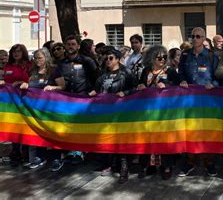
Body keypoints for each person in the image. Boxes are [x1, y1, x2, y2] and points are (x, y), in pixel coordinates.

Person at [89, 48, 137, 184]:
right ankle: (108, 164)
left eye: (110, 58)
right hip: (105, 111)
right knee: (107, 137)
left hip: (121, 111)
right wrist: (93, 92)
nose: (108, 61)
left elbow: (137, 88)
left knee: (120, 139)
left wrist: (126, 92)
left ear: (117, 59)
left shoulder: (126, 72)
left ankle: (124, 167)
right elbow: (98, 87)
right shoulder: (103, 73)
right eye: (106, 59)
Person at [177, 27, 219, 177]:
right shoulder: (185, 55)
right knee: (190, 130)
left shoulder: (212, 56)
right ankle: (190, 161)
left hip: (207, 100)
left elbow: (218, 76)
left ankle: (209, 162)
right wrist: (181, 80)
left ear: (204, 38)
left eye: (198, 36)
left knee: (207, 130)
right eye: (193, 36)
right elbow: (180, 72)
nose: (195, 38)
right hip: (189, 100)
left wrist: (213, 84)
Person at [54, 35, 98, 170]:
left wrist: (93, 91)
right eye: (68, 44)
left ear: (78, 46)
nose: (70, 46)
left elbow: (97, 78)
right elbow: (59, 81)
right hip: (67, 99)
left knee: (81, 127)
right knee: (68, 126)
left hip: (83, 98)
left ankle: (80, 152)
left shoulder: (87, 61)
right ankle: (70, 152)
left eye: (73, 44)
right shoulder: (62, 63)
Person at [137, 45, 179, 180]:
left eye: (165, 57)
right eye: (159, 57)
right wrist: (141, 86)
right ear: (151, 58)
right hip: (148, 111)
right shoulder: (146, 71)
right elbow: (140, 85)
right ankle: (150, 165)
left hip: (165, 112)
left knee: (165, 138)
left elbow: (179, 87)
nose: (162, 59)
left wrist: (167, 86)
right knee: (148, 137)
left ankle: (167, 166)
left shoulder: (171, 71)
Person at [19, 48, 65, 169]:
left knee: (53, 132)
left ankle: (56, 158)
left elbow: (62, 86)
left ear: (46, 57)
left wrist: (52, 87)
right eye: (35, 58)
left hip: (52, 107)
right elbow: (28, 86)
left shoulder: (54, 70)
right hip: (36, 108)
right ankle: (40, 157)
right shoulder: (32, 71)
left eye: (40, 57)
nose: (37, 60)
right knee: (38, 132)